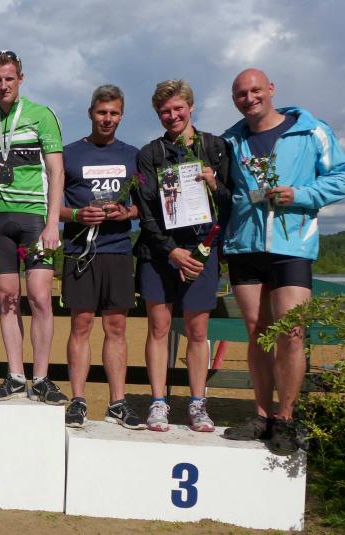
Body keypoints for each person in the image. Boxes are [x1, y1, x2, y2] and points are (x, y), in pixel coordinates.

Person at [221, 68, 345, 453]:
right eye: (241, 94)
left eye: (255, 90)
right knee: (257, 331)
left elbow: (342, 178)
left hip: (291, 245)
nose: (249, 98)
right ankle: (261, 415)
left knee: (291, 332)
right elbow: (229, 193)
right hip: (245, 246)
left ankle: (286, 418)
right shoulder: (231, 140)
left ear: (271, 89)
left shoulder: (311, 130)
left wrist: (300, 194)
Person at [133, 79, 232, 432]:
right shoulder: (149, 153)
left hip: (202, 250)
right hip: (160, 251)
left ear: (191, 106)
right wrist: (171, 250)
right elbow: (145, 212)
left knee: (197, 330)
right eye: (165, 111)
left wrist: (215, 184)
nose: (172, 115)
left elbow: (231, 202)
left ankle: (197, 403)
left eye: (178, 108)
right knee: (159, 328)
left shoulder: (216, 147)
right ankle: (158, 402)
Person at [0, 50, 67, 404]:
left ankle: (41, 378)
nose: (4, 85)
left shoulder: (41, 115)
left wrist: (53, 222)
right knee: (7, 300)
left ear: (21, 79)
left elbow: (56, 171)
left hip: (35, 220)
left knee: (41, 298)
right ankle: (15, 376)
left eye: (9, 78)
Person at [61, 84, 143, 428]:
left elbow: (144, 205)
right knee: (80, 324)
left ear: (121, 116)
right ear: (90, 113)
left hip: (118, 250)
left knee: (116, 327)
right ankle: (78, 400)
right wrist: (77, 215)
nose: (107, 118)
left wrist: (128, 212)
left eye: (114, 113)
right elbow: (51, 208)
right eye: (101, 112)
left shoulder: (133, 155)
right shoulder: (69, 154)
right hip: (80, 251)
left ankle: (117, 403)